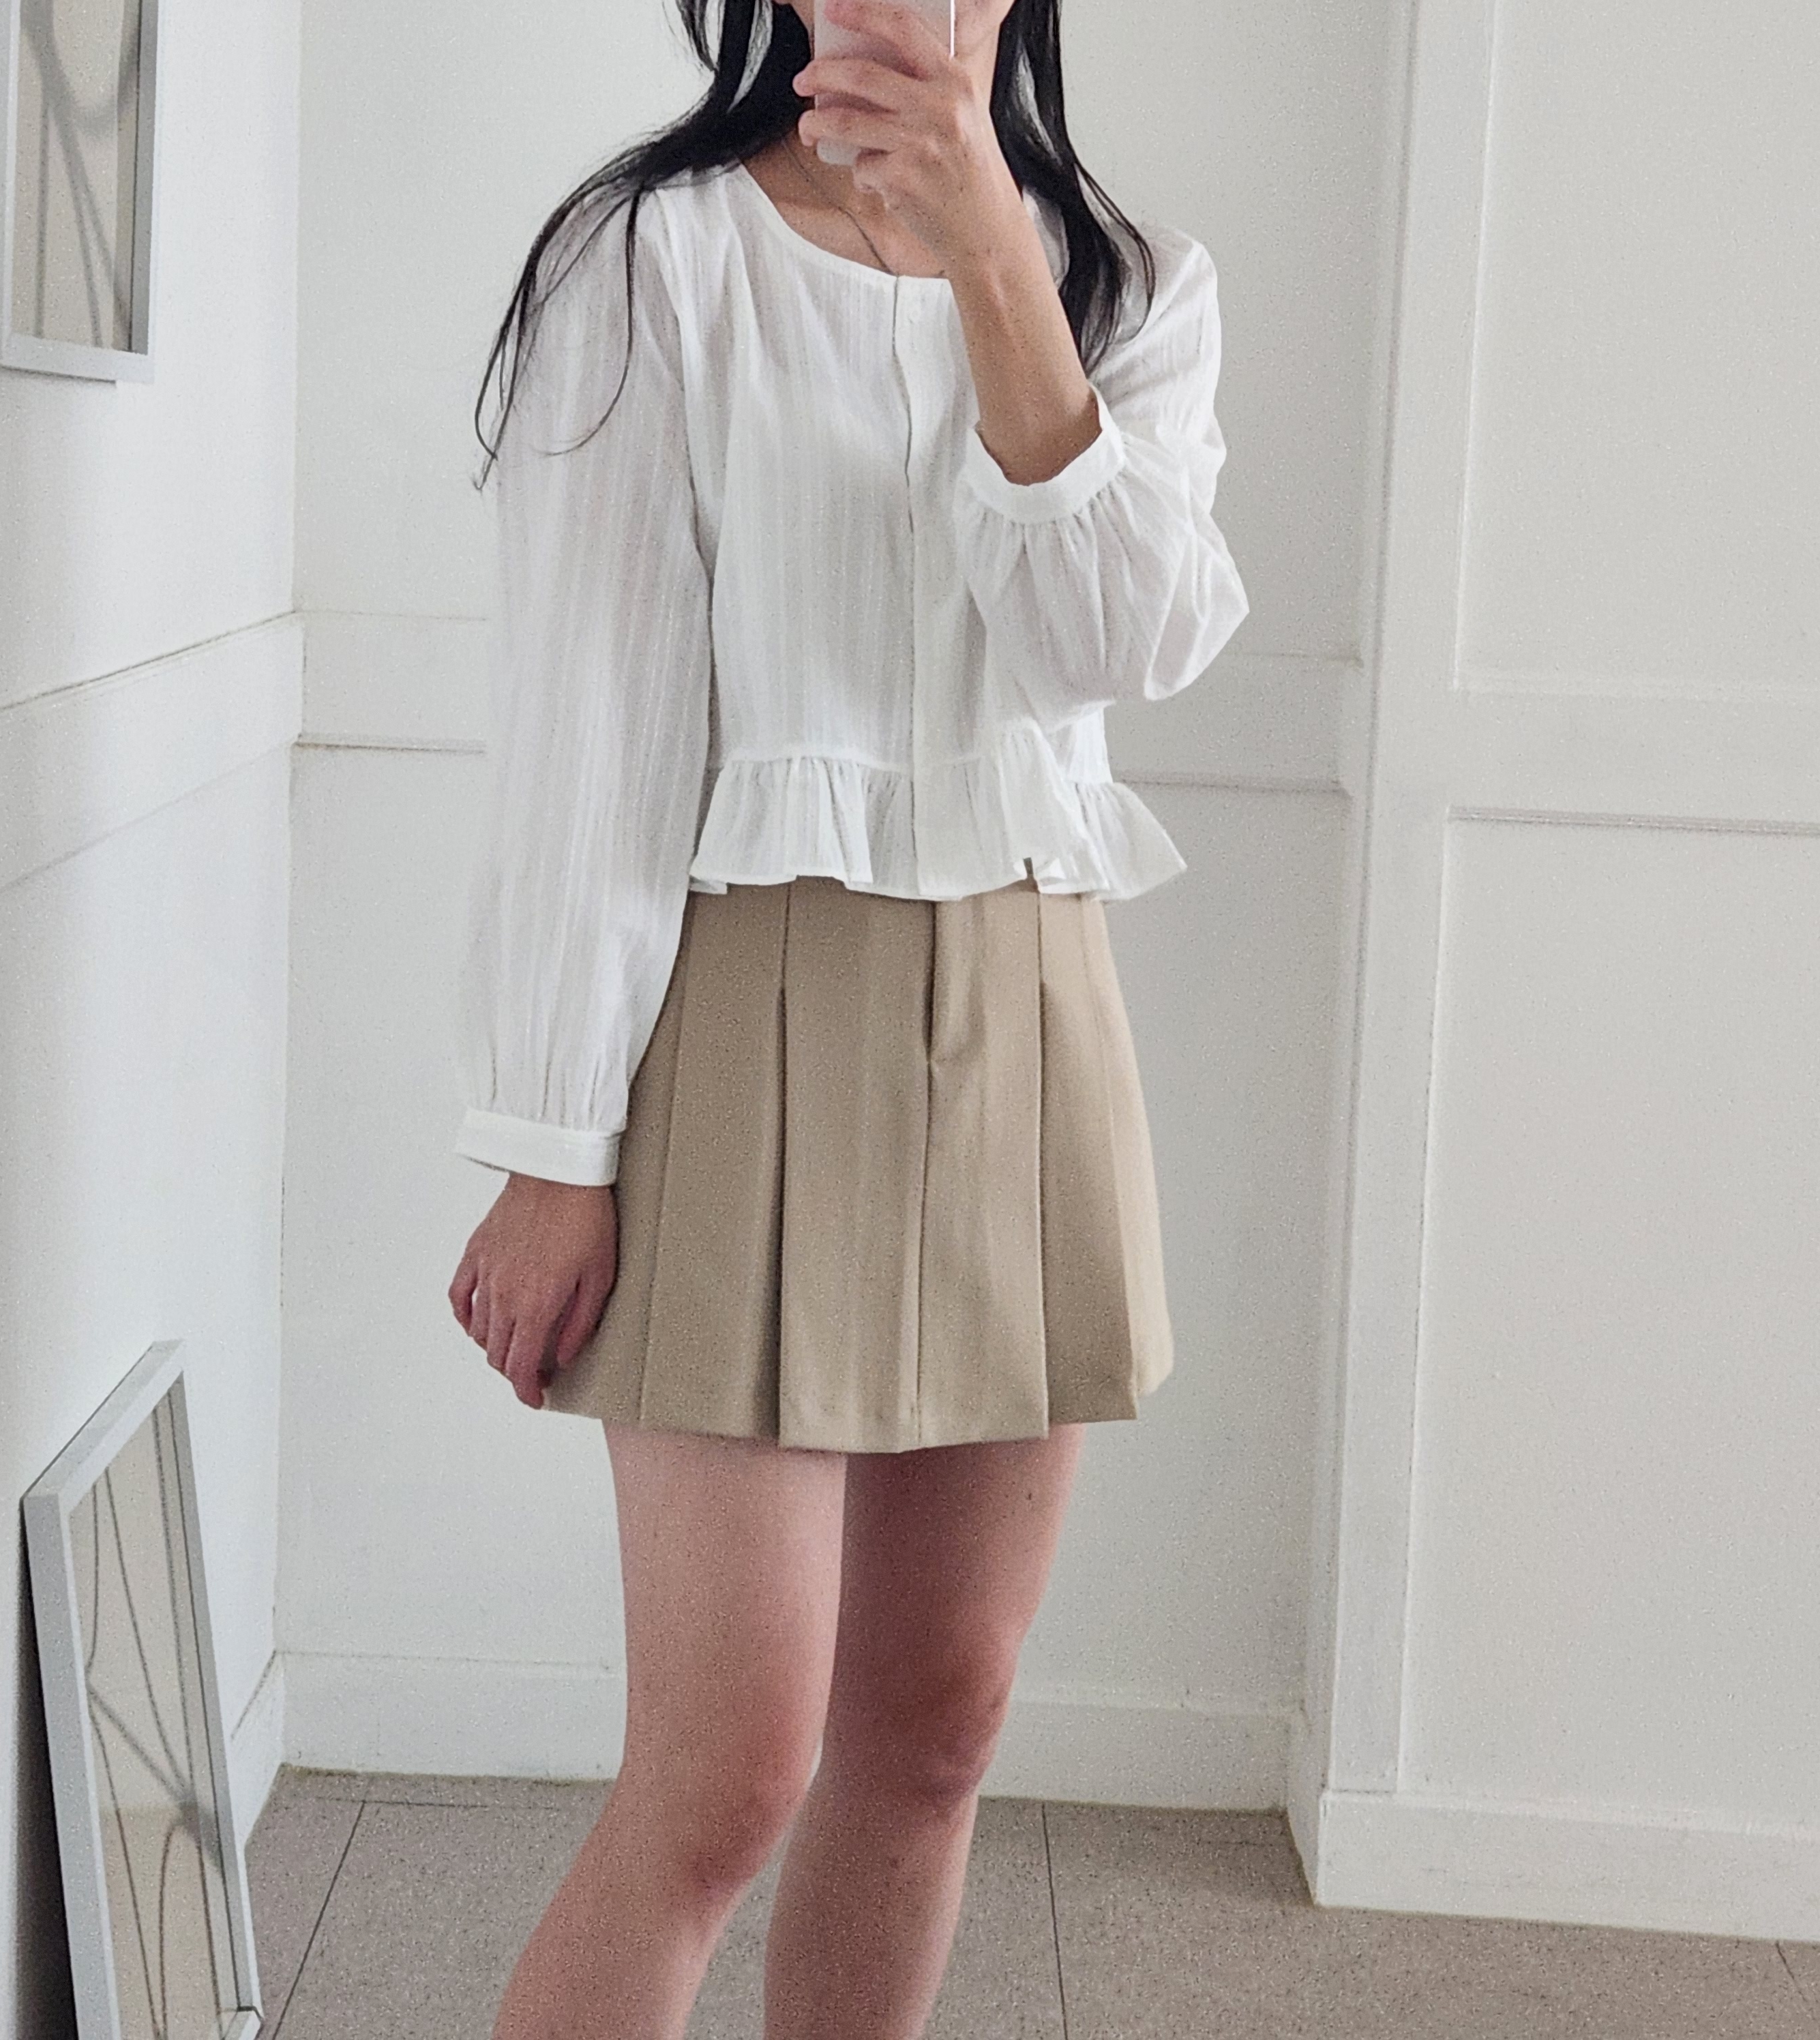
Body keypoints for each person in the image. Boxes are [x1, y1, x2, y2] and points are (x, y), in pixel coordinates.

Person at [447, 0, 1249, 2030]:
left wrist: (988, 250)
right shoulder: (651, 259)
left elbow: (1118, 639)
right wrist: (551, 1143)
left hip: (1027, 1014)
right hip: (739, 1009)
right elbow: (593, 726)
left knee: (937, 1734)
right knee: (720, 1783)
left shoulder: (1126, 284)